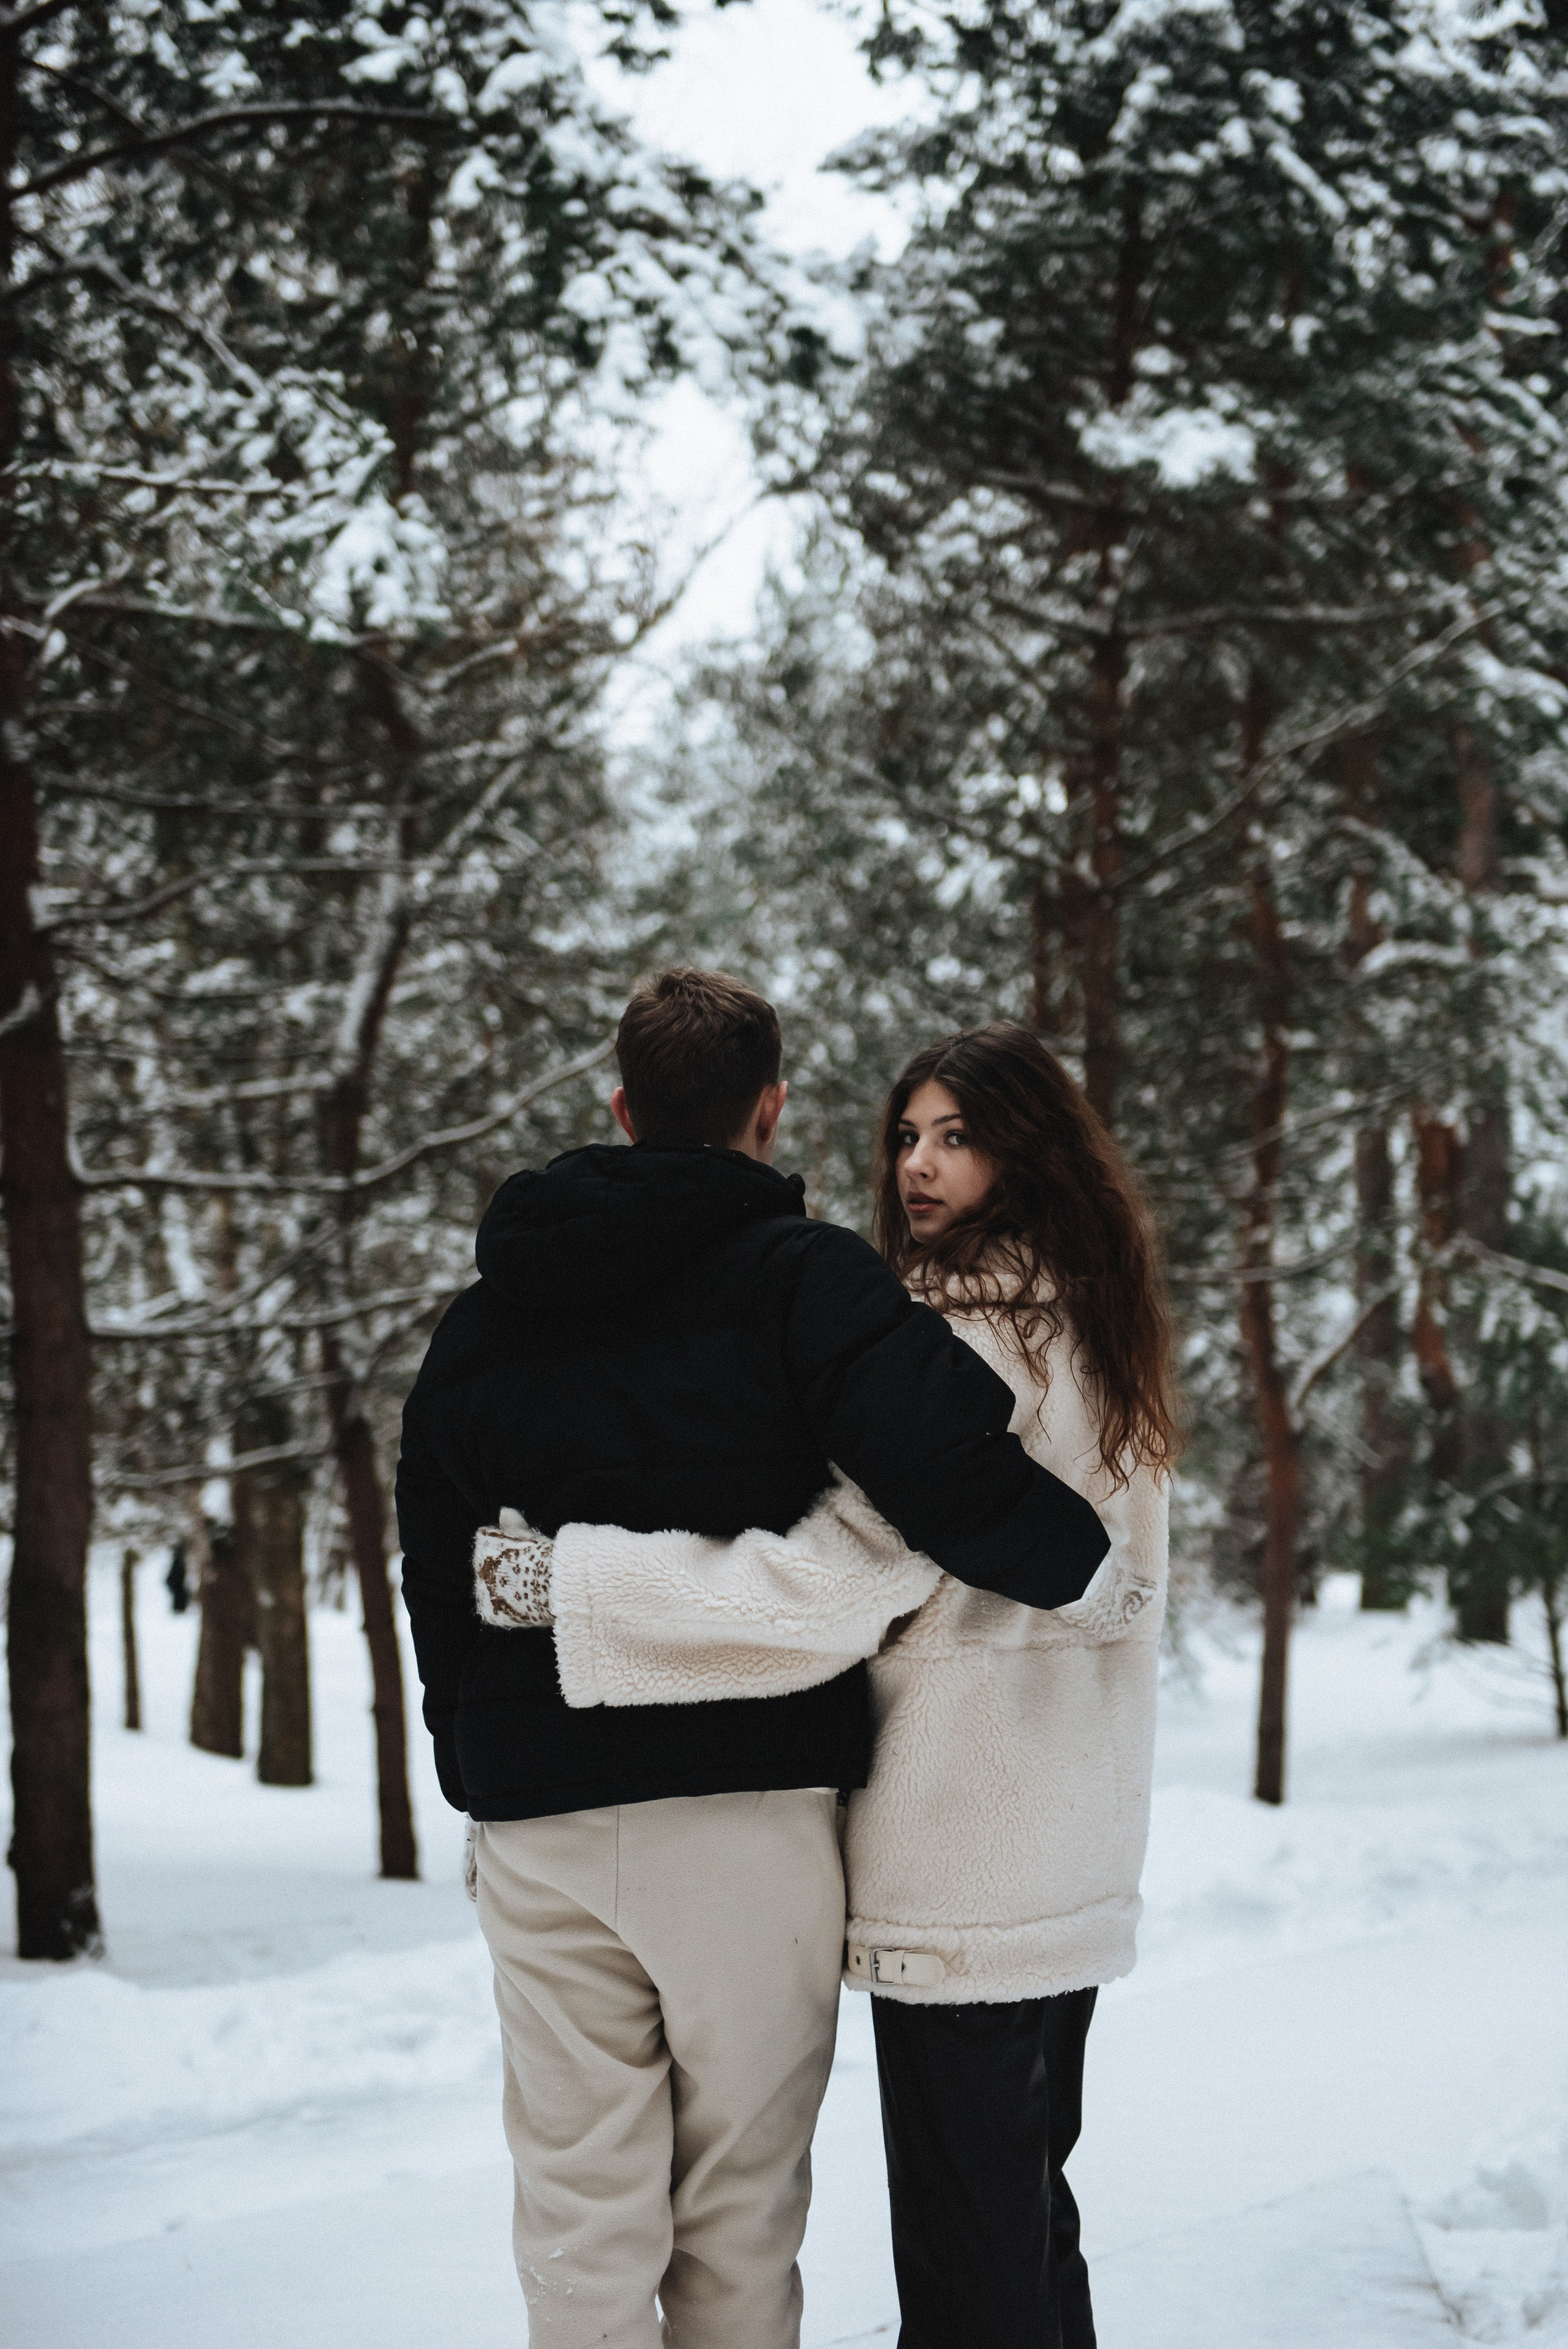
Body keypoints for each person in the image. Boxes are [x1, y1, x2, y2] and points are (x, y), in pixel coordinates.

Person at [394, 974, 1111, 2349]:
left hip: (540, 1822)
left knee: (575, 2210)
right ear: (769, 1109)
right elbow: (944, 1464)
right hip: (746, 1818)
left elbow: (433, 1555)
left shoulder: (482, 1318)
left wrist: (475, 1762)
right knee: (737, 2217)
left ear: (618, 1108)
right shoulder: (804, 1278)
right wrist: (1079, 1565)